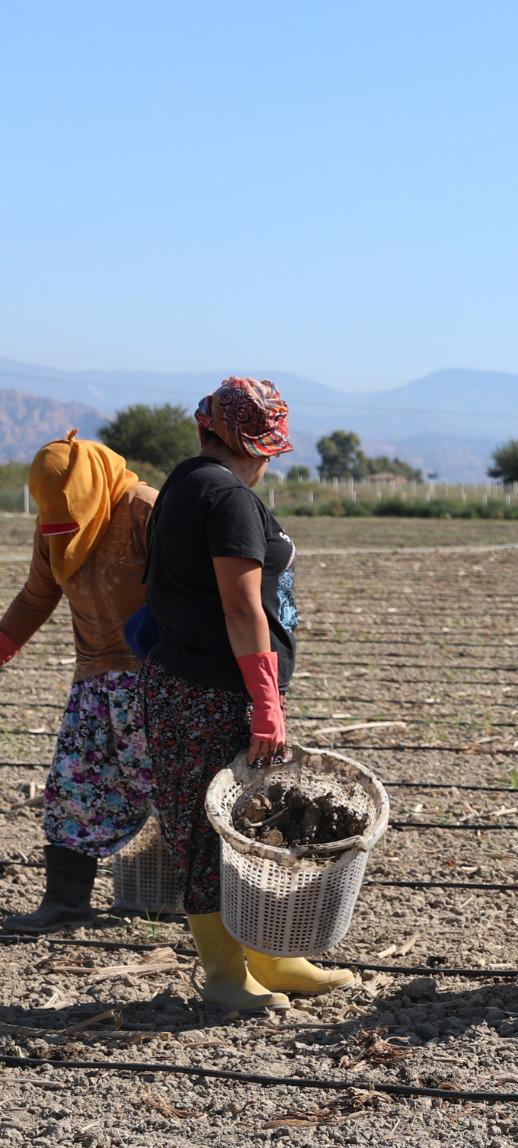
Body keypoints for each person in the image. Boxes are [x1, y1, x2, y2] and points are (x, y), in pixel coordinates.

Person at [140, 377, 351, 1011]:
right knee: (215, 832)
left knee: (246, 824)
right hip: (211, 692)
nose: (266, 464)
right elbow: (241, 607)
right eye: (267, 451)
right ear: (250, 447)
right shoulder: (226, 497)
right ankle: (227, 975)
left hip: (185, 683)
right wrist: (265, 703)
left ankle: (272, 956)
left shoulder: (183, 480)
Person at [1, 434, 157, 932]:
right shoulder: (53, 526)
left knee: (178, 794)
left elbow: (196, 590)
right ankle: (66, 903)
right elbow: (35, 596)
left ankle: (223, 913)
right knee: (74, 787)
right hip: (94, 682)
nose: (64, 525)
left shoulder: (143, 510)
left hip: (157, 681)